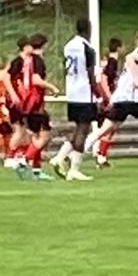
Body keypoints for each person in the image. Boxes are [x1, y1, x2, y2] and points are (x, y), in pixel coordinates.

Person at [93, 30, 138, 165]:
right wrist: (108, 97)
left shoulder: (134, 61)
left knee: (107, 129)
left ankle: (88, 152)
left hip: (123, 99)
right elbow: (128, 60)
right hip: (125, 100)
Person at [50, 18, 99, 182]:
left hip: (72, 92)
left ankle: (59, 158)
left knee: (79, 128)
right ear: (88, 29)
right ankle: (74, 169)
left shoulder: (68, 46)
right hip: (85, 93)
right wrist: (98, 93)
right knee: (83, 130)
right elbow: (90, 73)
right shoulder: (88, 48)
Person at [13, 33, 58, 177]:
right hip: (34, 104)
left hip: (27, 102)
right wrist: (52, 87)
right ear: (44, 45)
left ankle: (36, 170)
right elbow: (36, 80)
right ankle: (23, 160)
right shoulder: (37, 60)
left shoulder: (27, 60)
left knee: (37, 137)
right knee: (45, 136)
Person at [84, 37, 124, 166]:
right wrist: (109, 97)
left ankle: (100, 155)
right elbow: (103, 79)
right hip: (108, 99)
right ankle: (95, 153)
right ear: (119, 48)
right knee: (108, 127)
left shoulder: (109, 62)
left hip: (105, 98)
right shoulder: (112, 62)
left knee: (108, 127)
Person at [2, 35, 34, 170]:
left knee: (24, 130)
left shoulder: (28, 62)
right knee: (19, 130)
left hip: (24, 99)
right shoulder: (18, 62)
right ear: (25, 47)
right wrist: (13, 95)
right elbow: (6, 78)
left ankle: (22, 156)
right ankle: (9, 157)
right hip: (16, 100)